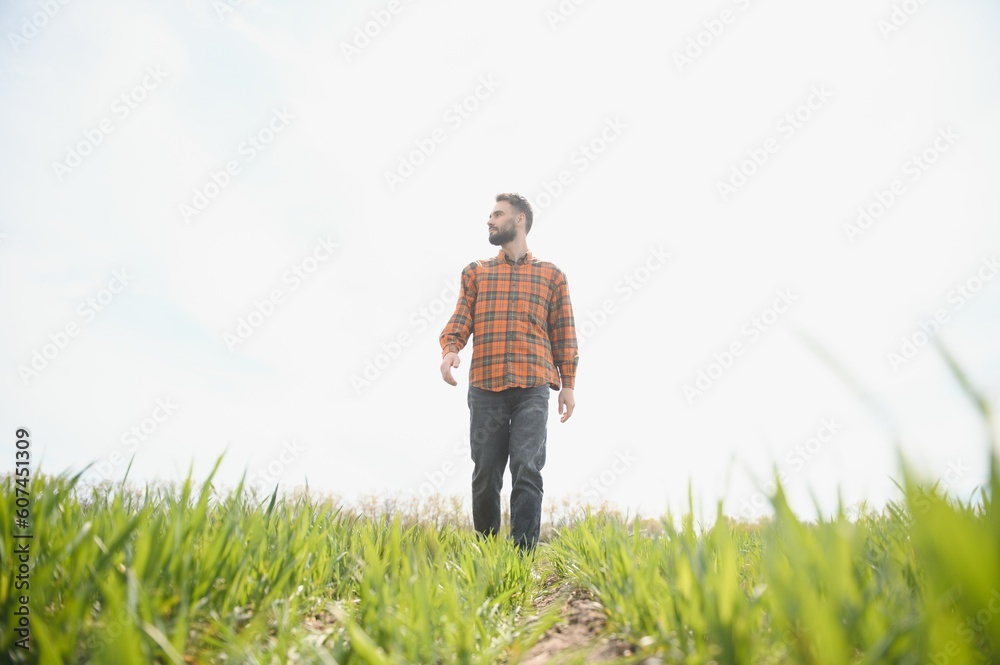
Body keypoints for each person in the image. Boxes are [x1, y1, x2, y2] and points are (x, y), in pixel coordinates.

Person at [439, 192, 579, 551]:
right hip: (486, 386)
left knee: (527, 468)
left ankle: (521, 559)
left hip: (533, 384)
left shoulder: (552, 275)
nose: (489, 220)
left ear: (519, 220)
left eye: (497, 214)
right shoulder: (476, 272)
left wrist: (568, 385)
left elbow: (563, 332)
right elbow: (461, 317)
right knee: (486, 474)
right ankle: (487, 554)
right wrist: (451, 349)